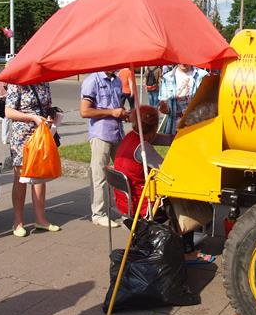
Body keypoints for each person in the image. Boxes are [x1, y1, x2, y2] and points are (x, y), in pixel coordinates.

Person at [114, 105, 214, 264]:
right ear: (154, 127)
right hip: (143, 204)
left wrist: (181, 136)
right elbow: (166, 170)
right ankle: (188, 252)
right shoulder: (143, 148)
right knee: (186, 202)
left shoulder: (131, 137)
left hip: (125, 201)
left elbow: (161, 139)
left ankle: (182, 246)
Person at [5, 82, 60, 237]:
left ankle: (40, 219)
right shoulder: (17, 84)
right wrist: (32, 117)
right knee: (21, 176)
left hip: (41, 133)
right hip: (22, 135)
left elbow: (47, 105)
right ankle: (18, 222)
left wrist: (50, 117)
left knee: (40, 175)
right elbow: (8, 112)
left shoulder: (44, 82)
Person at [79, 70, 129, 227]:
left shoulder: (117, 80)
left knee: (124, 173)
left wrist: (123, 113)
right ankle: (99, 213)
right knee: (99, 174)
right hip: (101, 134)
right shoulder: (92, 80)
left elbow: (117, 106)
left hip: (117, 132)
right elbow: (85, 111)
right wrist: (112, 112)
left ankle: (124, 209)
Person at [158, 64, 208, 134]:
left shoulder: (202, 75)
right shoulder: (167, 78)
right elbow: (164, 103)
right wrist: (165, 109)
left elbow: (209, 101)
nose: (183, 63)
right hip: (174, 128)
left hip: (197, 126)